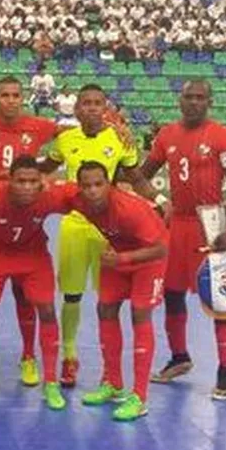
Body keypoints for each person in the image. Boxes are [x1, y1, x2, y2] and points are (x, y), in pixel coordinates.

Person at [39, 84, 161, 388]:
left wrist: (159, 201)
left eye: (97, 103)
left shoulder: (119, 139)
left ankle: (110, 373)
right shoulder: (65, 140)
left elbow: (135, 177)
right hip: (75, 226)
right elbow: (44, 168)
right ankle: (69, 357)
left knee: (110, 302)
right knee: (71, 295)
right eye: (86, 103)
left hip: (111, 232)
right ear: (76, 109)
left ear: (105, 108)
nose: (92, 108)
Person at [140, 79, 226, 400]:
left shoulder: (222, 135)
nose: (194, 102)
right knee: (171, 294)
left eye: (201, 97)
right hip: (178, 226)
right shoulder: (166, 135)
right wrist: (159, 199)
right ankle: (179, 357)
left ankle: (225, 370)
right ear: (179, 100)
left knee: (221, 299)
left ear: (209, 102)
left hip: (213, 223)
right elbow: (143, 175)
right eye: (189, 97)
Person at [0, 75, 60, 386]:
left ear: (24, 98)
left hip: (28, 216)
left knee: (25, 294)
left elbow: (70, 139)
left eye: (16, 94)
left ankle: (29, 357)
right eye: (4, 94)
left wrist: (115, 125)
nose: (11, 100)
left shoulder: (38, 126)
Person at [0, 156, 76, 410]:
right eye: (20, 181)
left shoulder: (50, 196)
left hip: (32, 254)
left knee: (46, 309)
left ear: (41, 182)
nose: (27, 187)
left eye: (33, 181)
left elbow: (86, 193)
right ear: (10, 181)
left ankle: (51, 382)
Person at [72, 161, 168, 421]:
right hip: (118, 256)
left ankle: (139, 397)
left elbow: (161, 248)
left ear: (109, 185)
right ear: (79, 187)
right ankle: (113, 383)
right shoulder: (78, 200)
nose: (92, 191)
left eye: (98, 184)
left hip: (149, 259)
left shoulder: (129, 209)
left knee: (140, 313)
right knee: (105, 309)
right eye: (86, 186)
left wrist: (123, 260)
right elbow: (44, 190)